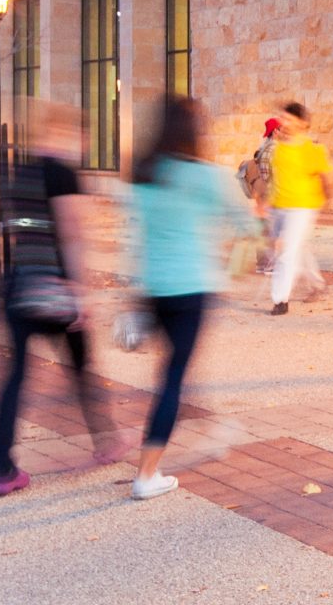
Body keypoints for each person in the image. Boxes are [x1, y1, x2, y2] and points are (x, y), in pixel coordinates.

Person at [124, 94, 260, 500]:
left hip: (152, 288)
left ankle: (209, 427)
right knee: (173, 378)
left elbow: (137, 234)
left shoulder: (145, 173)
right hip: (192, 287)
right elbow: (248, 226)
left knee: (177, 367)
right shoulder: (208, 177)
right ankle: (147, 474)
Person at [0, 99, 110, 497]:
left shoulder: (17, 171)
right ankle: (106, 442)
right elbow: (71, 233)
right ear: (70, 133)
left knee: (15, 377)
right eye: (82, 135)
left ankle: (1, 469)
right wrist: (81, 292)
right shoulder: (62, 174)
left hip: (18, 287)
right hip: (54, 289)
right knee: (81, 365)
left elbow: (11, 227)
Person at [266, 103, 329, 313]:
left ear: (303, 123)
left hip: (302, 207)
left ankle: (280, 300)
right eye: (282, 118)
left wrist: (322, 202)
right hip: (278, 207)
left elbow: (327, 178)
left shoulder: (311, 148)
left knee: (286, 252)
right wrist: (264, 203)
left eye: (289, 119)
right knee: (296, 248)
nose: (284, 123)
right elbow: (275, 179)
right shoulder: (278, 147)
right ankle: (318, 285)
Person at [239, 116, 280, 264]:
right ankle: (268, 262)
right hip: (271, 193)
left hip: (262, 192)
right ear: (276, 131)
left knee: (264, 227)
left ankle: (262, 262)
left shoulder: (264, 147)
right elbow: (270, 175)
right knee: (271, 228)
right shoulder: (273, 149)